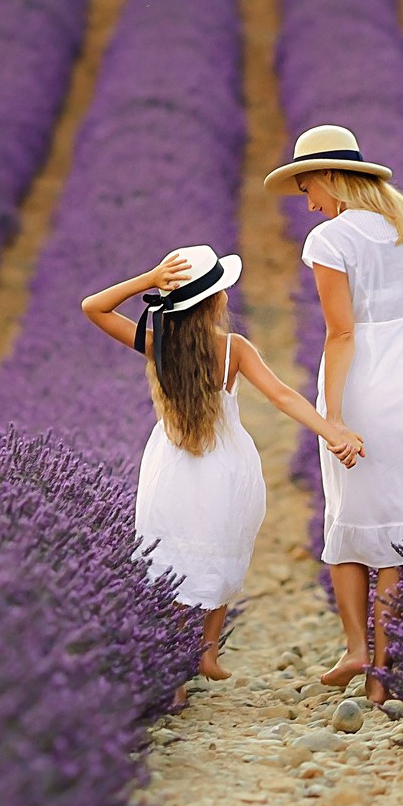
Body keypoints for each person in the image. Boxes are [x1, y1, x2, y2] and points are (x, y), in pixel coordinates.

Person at [83, 245, 364, 696]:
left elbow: (92, 307)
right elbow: (283, 397)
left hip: (172, 463)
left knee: (171, 555)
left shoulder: (158, 344)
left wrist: (148, 279)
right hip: (226, 462)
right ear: (216, 300)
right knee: (222, 544)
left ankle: (174, 665)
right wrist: (331, 431)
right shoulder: (233, 348)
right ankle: (207, 651)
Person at [265, 126, 403, 706]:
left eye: (305, 186)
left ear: (327, 176)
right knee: (401, 528)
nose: (307, 200)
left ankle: (354, 648)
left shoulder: (331, 239)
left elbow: (342, 333)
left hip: (362, 385)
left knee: (350, 520)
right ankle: (381, 672)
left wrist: (336, 418)